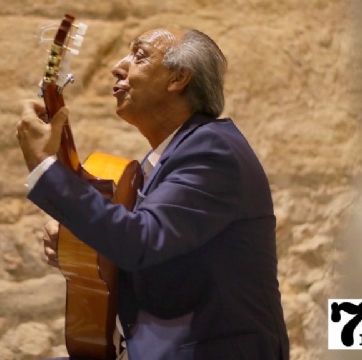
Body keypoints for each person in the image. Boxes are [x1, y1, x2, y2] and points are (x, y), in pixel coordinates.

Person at [16, 27, 289, 360]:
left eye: (139, 55)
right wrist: (81, 243)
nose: (118, 66)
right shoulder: (164, 158)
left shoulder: (212, 150)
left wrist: (44, 166)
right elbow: (145, 249)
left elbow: (139, 241)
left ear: (178, 79)